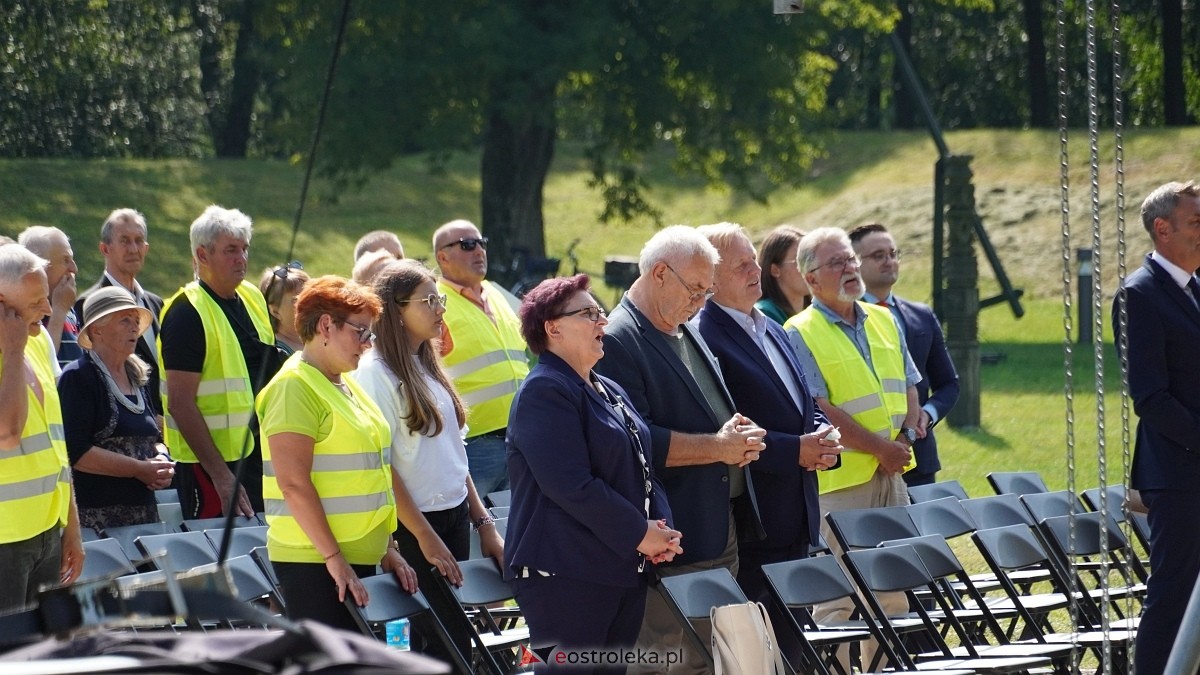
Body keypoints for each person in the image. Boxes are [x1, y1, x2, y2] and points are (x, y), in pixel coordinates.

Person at [593, 225, 766, 675]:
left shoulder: (682, 325)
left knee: (715, 657)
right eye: (695, 289)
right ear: (659, 273)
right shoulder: (617, 339)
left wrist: (734, 432)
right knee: (674, 657)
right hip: (672, 536)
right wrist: (720, 446)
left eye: (707, 291)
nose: (701, 302)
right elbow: (636, 441)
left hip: (715, 524)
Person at [507, 274, 681, 673]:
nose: (603, 322)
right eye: (588, 314)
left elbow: (643, 467)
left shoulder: (607, 389)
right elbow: (570, 485)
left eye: (600, 311)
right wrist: (640, 534)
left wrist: (661, 530)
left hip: (617, 567)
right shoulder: (544, 390)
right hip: (565, 574)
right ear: (552, 328)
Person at [783, 226, 922, 667]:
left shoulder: (884, 318)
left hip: (892, 473)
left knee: (894, 591)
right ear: (810, 279)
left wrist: (904, 437)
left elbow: (910, 385)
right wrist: (882, 448)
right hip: (842, 481)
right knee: (837, 600)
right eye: (836, 263)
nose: (850, 269)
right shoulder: (798, 331)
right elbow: (820, 406)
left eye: (850, 260)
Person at [354, 259, 503, 656]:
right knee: (439, 646)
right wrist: (423, 536)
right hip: (413, 525)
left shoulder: (428, 365)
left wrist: (484, 523)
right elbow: (382, 467)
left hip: (452, 517)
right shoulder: (374, 374)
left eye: (440, 299)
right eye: (429, 301)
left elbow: (456, 456)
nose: (440, 308)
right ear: (395, 311)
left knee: (454, 642)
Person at [257, 275, 416, 630]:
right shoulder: (293, 387)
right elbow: (294, 484)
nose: (367, 344)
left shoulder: (342, 383)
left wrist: (386, 548)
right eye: (361, 332)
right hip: (316, 561)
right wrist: (334, 558)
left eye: (370, 334)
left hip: (350, 557)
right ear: (326, 325)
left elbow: (371, 471)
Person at [695, 223, 839, 605]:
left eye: (753, 262)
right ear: (709, 280)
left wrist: (824, 436)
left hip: (798, 511)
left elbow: (804, 403)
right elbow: (722, 427)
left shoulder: (773, 328)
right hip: (756, 522)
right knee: (763, 645)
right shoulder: (704, 336)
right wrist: (796, 450)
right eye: (741, 266)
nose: (754, 271)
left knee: (794, 645)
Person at [1112, 181, 1200, 675]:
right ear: (1162, 229)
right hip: (1180, 474)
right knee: (1175, 596)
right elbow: (1151, 397)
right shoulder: (1139, 295)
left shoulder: (1196, 288)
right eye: (1196, 223)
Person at [159, 205, 278, 520]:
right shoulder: (186, 312)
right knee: (220, 562)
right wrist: (221, 476)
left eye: (244, 249)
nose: (242, 259)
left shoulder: (252, 297)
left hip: (258, 457)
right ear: (202, 255)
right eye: (230, 251)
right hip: (211, 468)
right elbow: (180, 403)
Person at [0, 243, 84, 612]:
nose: (49, 311)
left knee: (40, 652)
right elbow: (7, 432)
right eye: (36, 303)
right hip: (6, 541)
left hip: (47, 531)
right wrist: (13, 351)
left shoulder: (34, 343)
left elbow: (56, 445)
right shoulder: (21, 346)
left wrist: (71, 525)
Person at [850, 223, 959, 487]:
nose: (889, 261)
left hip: (918, 455)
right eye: (878, 256)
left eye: (893, 253)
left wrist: (928, 414)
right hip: (864, 460)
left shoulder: (921, 315)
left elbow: (949, 383)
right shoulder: (843, 318)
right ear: (853, 263)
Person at [60, 287, 175, 531]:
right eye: (125, 320)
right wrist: (139, 469)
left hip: (144, 519)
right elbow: (75, 452)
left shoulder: (138, 377)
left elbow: (154, 438)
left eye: (136, 321)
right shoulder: (78, 377)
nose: (134, 327)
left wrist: (162, 459)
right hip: (96, 524)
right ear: (96, 329)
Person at [434, 219, 530, 495]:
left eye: (481, 243)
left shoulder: (497, 294)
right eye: (467, 245)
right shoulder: (436, 303)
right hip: (473, 444)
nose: (479, 251)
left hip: (519, 439)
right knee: (471, 531)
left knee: (511, 528)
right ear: (443, 256)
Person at [74, 209, 166, 416]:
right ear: (105, 248)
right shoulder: (88, 304)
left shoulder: (156, 303)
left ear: (146, 248)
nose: (133, 248)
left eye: (139, 240)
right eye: (124, 241)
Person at [18, 226, 80, 368]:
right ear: (39, 265)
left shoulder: (68, 309)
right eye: (65, 260)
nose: (74, 268)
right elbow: (40, 366)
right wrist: (58, 312)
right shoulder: (24, 314)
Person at [756, 224, 810, 324]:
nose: (809, 267)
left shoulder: (819, 308)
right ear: (775, 270)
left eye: (810, 259)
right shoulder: (764, 315)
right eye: (799, 261)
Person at [259, 262, 310, 355]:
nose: (309, 303)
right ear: (275, 312)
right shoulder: (277, 352)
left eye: (309, 296)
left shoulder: (320, 338)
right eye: (296, 300)